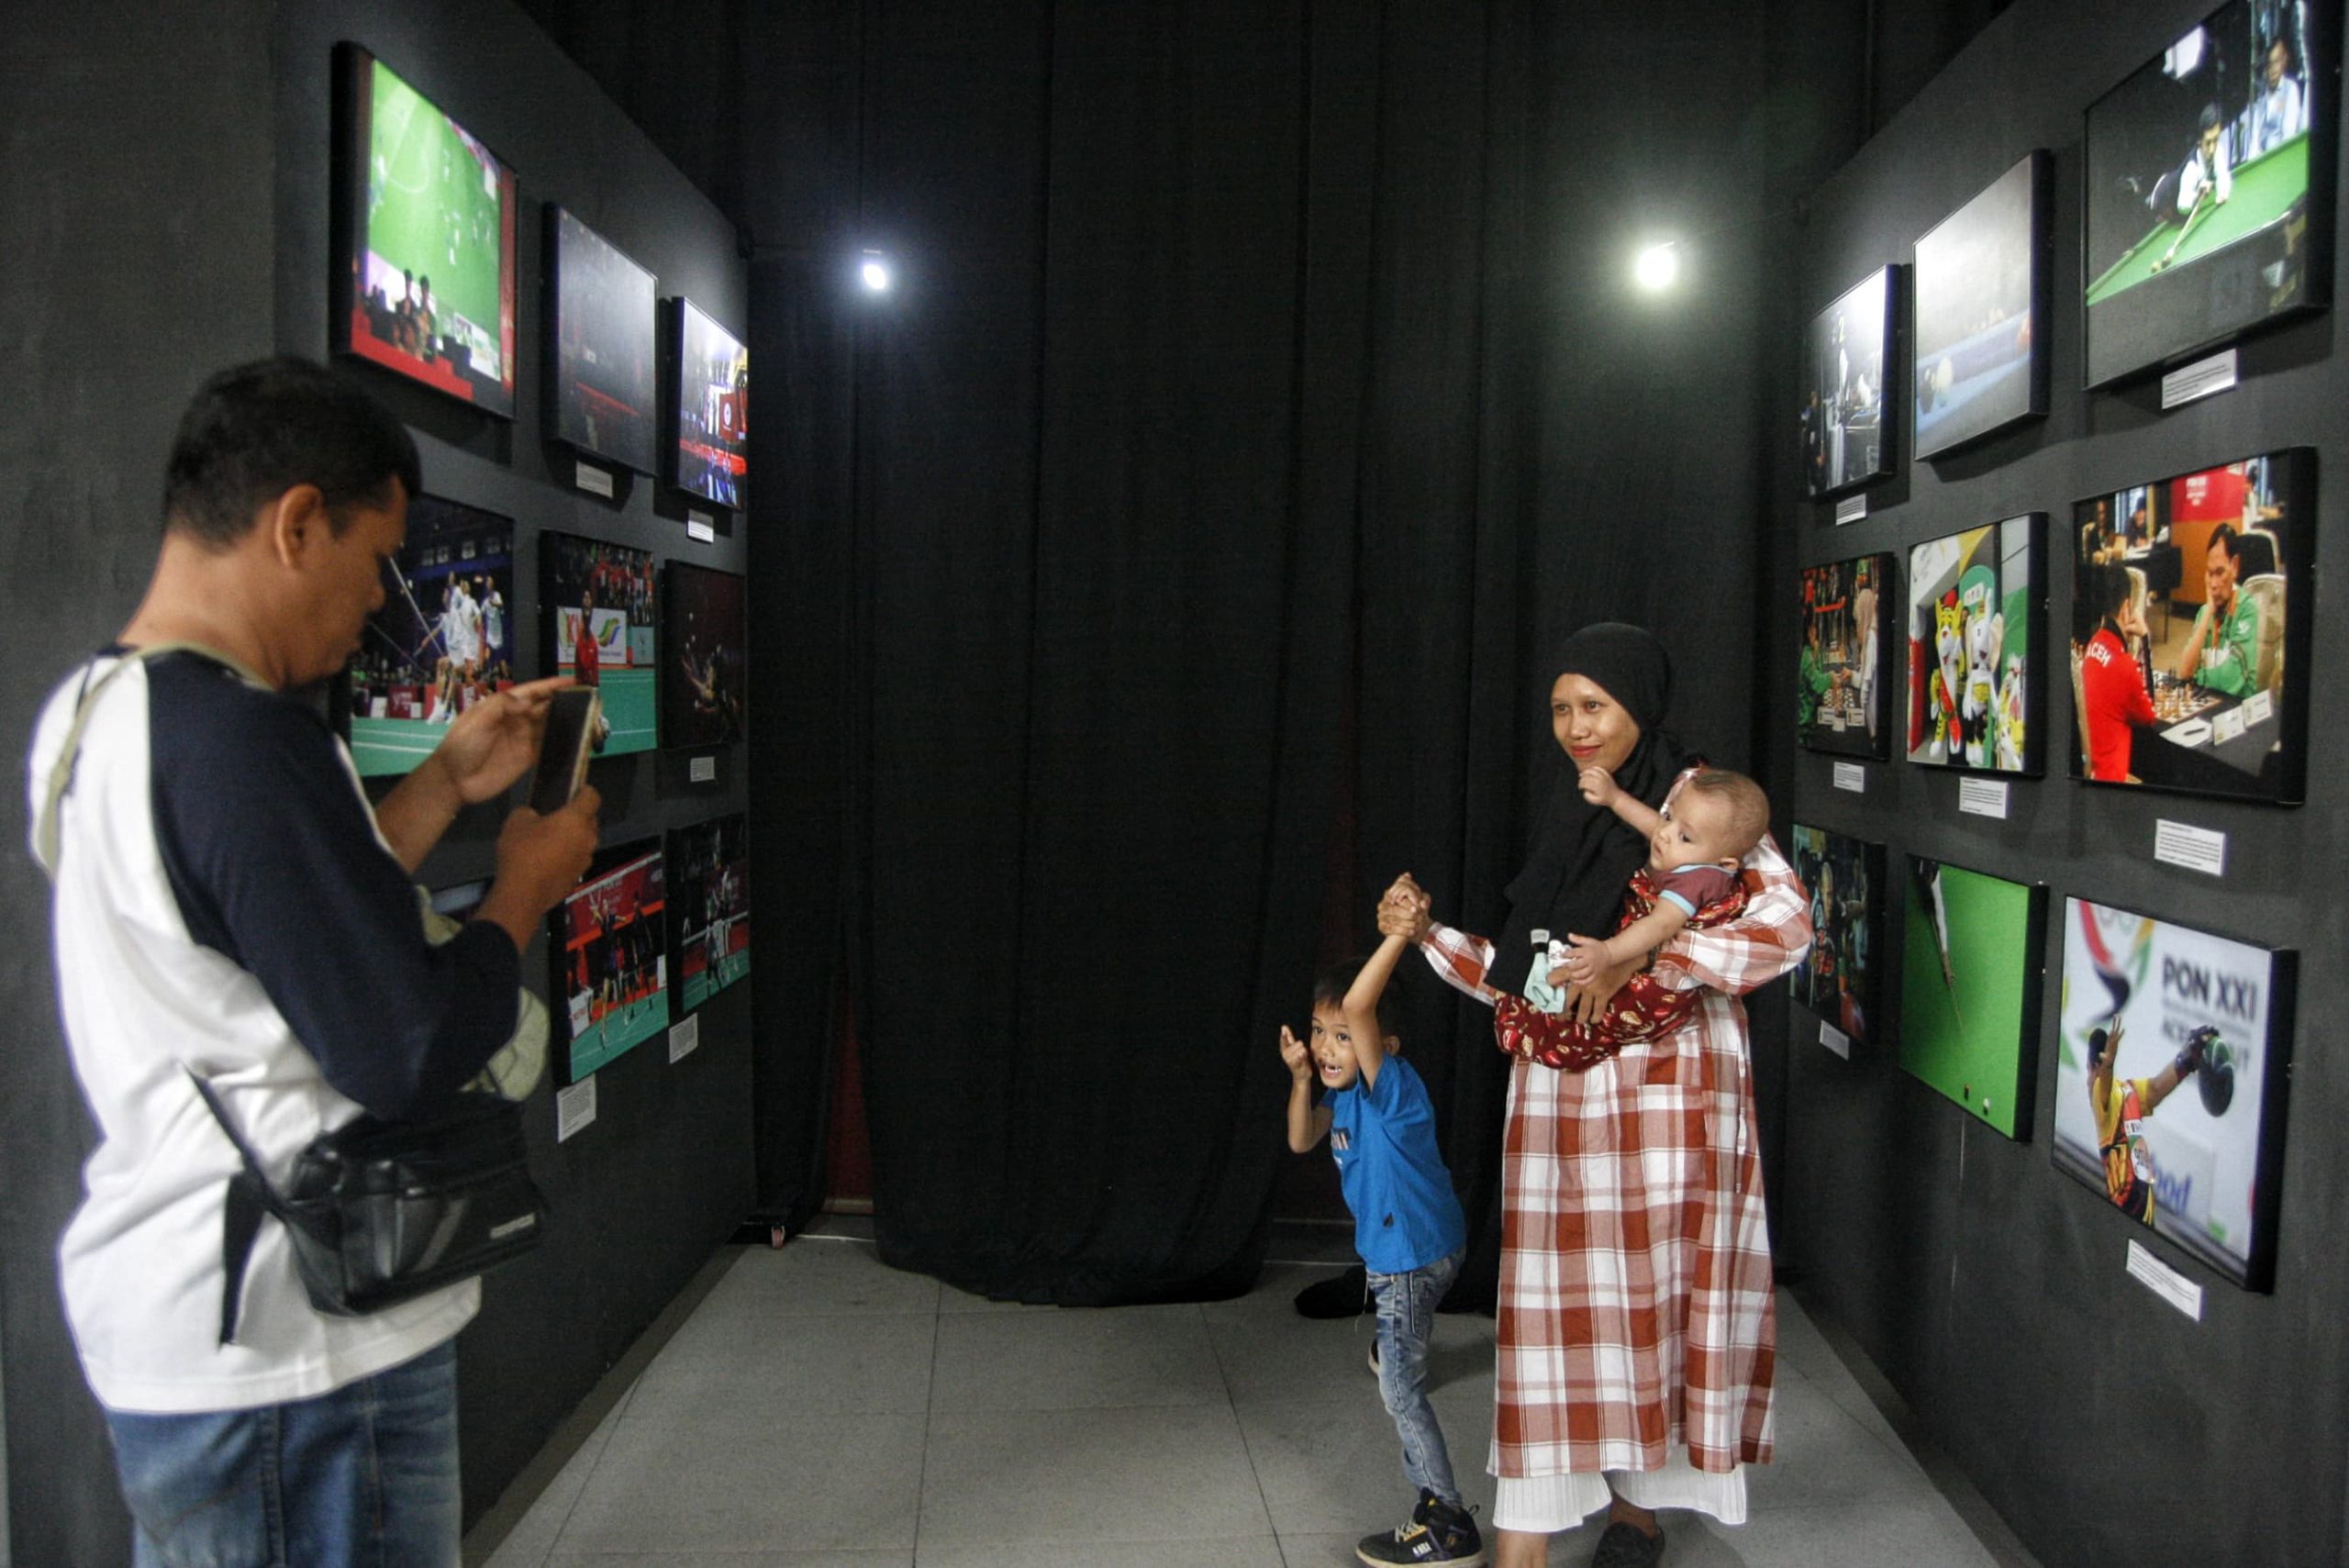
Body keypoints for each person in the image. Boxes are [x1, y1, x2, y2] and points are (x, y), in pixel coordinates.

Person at [25, 358, 601, 1568]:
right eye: (374, 557)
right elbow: (404, 1047)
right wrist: (526, 891)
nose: (381, 601)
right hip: (298, 1352)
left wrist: (443, 783)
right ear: (296, 523)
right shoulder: (246, 744)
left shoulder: (104, 711)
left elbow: (270, 933)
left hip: (210, 1330)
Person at [1378, 624, 1810, 1568]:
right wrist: (1428, 938)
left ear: (1638, 707)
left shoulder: (1698, 804)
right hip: (1561, 1106)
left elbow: (1788, 924)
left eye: (1595, 707)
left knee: (1653, 1302)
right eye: (1562, 709)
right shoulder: (1572, 819)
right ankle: (1524, 1538)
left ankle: (1639, 1510)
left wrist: (1651, 957)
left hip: (1671, 1109)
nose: (1576, 727)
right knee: (1559, 1309)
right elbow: (1528, 976)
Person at [1279, 939, 1485, 1568]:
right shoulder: (1341, 1094)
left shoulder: (1391, 1089)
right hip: (1425, 1251)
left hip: (1409, 1261)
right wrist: (1301, 1078)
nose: (1325, 1046)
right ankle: (1400, 1343)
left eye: (1344, 1036)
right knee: (1400, 1337)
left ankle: (1447, 1521)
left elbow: (1364, 1001)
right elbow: (1301, 1137)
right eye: (1319, 1031)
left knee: (1400, 1390)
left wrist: (1401, 933)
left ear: (1379, 1047)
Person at [1554, 767, 1772, 984]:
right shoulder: (1693, 851)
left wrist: (1607, 952)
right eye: (1669, 816)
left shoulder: (1696, 881)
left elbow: (1660, 924)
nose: (1664, 833)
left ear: (1725, 863)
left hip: (1661, 983)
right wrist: (1614, 798)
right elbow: (1654, 825)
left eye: (1685, 837)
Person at [2087, 1018, 2215, 1223]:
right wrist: (2108, 1066)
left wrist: (2188, 1057)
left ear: (2091, 1068)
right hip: (2129, 1211)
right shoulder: (2110, 1095)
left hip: (2139, 1210)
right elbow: (2104, 1087)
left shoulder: (2122, 1092)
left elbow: (2156, 1088)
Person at [2076, 562, 2157, 783]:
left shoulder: (2092, 646)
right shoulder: (2125, 666)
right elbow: (2150, 714)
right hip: (2113, 785)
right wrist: (2144, 639)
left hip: (2090, 775)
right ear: (2126, 607)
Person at [2176, 525, 2261, 696]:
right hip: (2208, 704)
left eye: (2220, 572)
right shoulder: (2204, 612)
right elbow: (2184, 670)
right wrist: (2208, 613)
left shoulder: (2248, 610)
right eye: (2210, 573)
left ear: (2235, 566)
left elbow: (2232, 676)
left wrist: (2196, 677)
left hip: (2237, 711)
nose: (2214, 584)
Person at [2251, 37, 2303, 154]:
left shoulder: (2290, 89)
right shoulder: (2260, 102)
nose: (2273, 70)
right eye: (2269, 64)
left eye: (2276, 62)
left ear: (2284, 61)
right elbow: (2254, 142)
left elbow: (2288, 135)